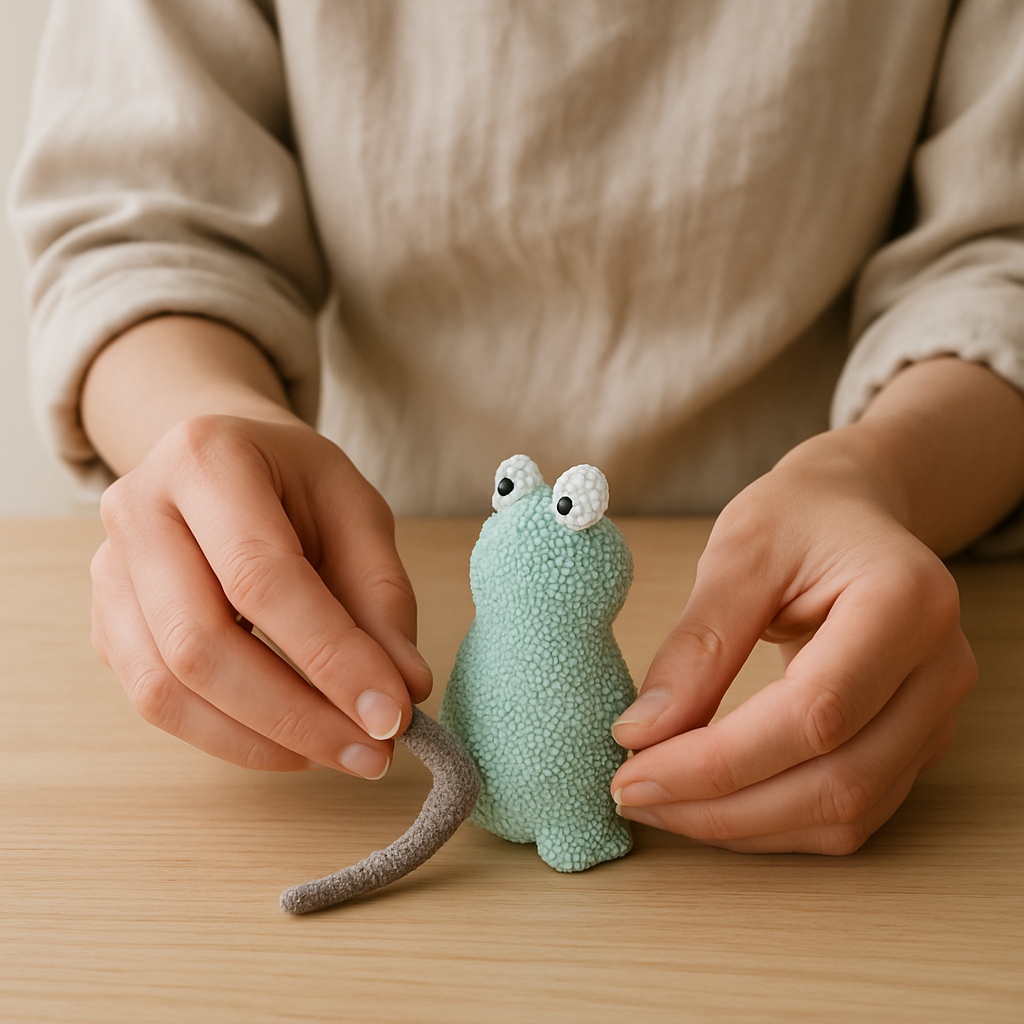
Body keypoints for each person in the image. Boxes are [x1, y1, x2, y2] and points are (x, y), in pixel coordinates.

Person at [10, 0, 1024, 855]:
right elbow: (141, 221)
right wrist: (204, 428)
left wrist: (880, 476)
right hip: (360, 555)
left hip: (848, 589)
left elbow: (999, 253)